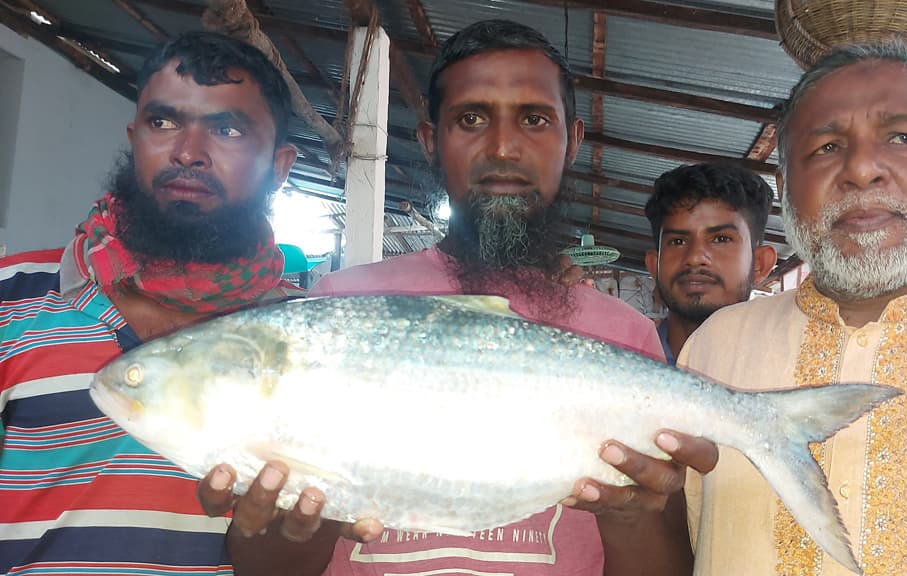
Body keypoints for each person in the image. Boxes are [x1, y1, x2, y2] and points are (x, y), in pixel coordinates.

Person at [197, 19, 719, 576]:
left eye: (535, 119)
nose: (502, 147)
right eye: (471, 118)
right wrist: (289, 513)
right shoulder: (338, 310)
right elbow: (266, 567)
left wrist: (632, 516)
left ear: (574, 142)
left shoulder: (624, 335)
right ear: (429, 140)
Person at [679, 40, 907, 575]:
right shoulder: (715, 345)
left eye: (903, 137)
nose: (861, 169)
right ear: (786, 185)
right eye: (826, 147)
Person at [0, 31, 300, 575]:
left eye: (228, 129)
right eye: (163, 123)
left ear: (280, 165)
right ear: (134, 137)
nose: (187, 152)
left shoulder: (301, 336)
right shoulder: (10, 294)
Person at [644, 162, 777, 364]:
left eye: (721, 239)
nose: (695, 257)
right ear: (655, 265)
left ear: (759, 263)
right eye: (678, 242)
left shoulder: (786, 373)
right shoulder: (611, 372)